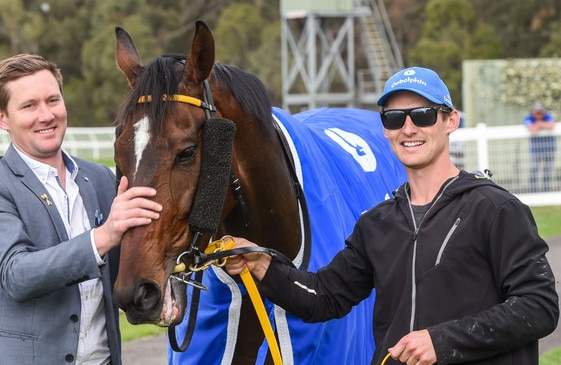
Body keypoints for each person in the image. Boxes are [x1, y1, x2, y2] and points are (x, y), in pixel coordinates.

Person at [225, 67, 559, 364]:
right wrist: (263, 265)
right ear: (385, 128)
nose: (408, 128)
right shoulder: (377, 223)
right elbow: (324, 297)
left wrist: (441, 342)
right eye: (395, 117)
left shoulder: (495, 209)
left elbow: (539, 307)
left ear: (450, 121)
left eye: (424, 114)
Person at [0, 54, 163, 365]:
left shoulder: (100, 178)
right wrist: (103, 236)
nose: (46, 115)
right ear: (1, 118)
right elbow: (16, 275)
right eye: (29, 106)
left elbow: (128, 267)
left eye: (53, 100)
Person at [523, 101, 556, 192]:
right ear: (532, 112)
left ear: (543, 112)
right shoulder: (528, 118)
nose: (538, 114)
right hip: (535, 150)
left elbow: (551, 126)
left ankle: (546, 192)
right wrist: (541, 125)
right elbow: (533, 129)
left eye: (540, 112)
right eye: (536, 112)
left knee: (547, 172)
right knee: (534, 170)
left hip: (549, 149)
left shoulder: (548, 116)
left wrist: (539, 124)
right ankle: (533, 192)